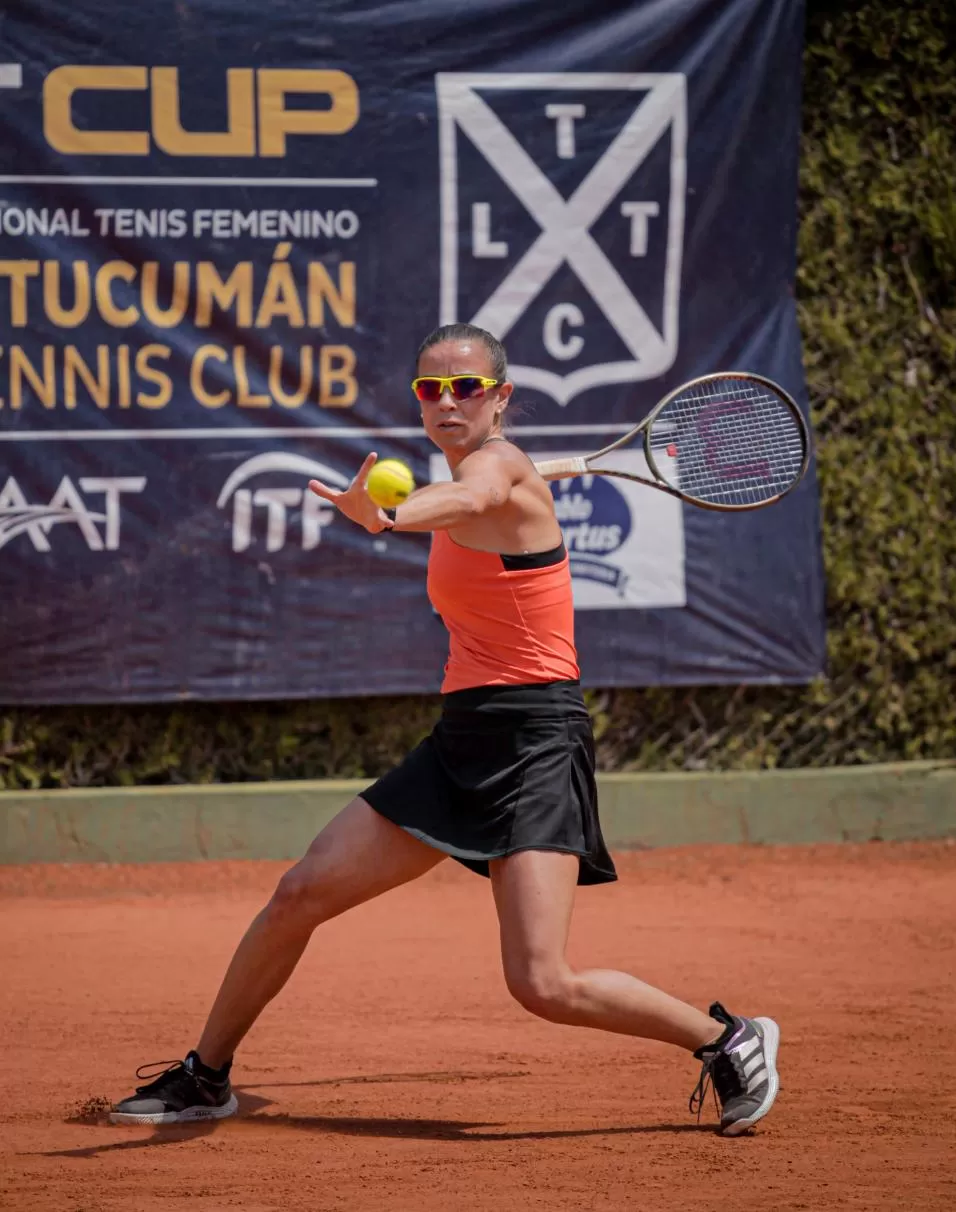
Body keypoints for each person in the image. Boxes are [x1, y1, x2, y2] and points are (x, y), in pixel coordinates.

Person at [111, 322, 780, 1136]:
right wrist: (418, 501)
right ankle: (205, 1074)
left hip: (536, 741)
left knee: (542, 982)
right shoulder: (496, 464)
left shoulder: (492, 469)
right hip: (462, 736)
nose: (447, 401)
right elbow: (471, 492)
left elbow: (468, 498)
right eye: (431, 389)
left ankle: (729, 1040)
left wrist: (387, 515)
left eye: (466, 386)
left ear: (501, 397)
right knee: (300, 893)